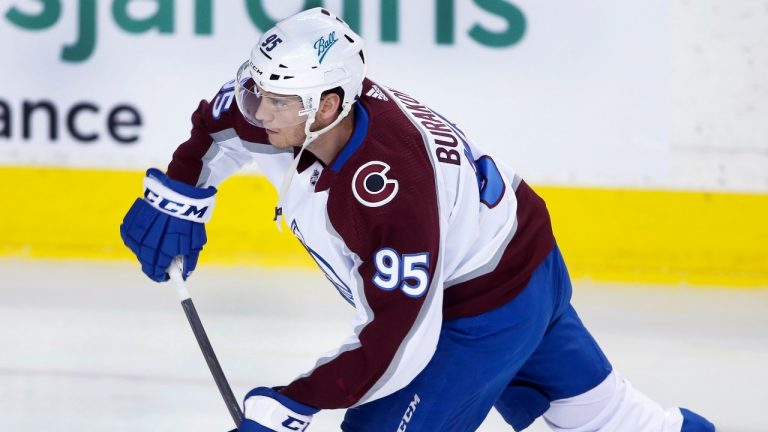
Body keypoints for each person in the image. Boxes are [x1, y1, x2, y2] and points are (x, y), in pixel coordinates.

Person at [120, 8, 715, 432]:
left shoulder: (389, 190)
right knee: (607, 419)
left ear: (328, 105)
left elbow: (397, 340)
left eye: (278, 103)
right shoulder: (297, 102)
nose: (260, 114)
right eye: (260, 94)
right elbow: (218, 122)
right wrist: (181, 193)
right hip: (520, 254)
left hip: (483, 309)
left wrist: (293, 404)